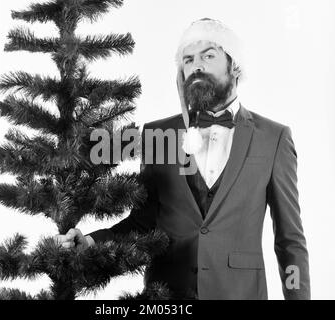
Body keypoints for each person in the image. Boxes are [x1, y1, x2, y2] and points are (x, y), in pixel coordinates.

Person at [56, 18, 310, 300]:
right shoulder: (157, 134)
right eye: (188, 60)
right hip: (165, 297)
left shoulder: (274, 138)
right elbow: (144, 221)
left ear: (235, 66)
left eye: (208, 56)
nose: (197, 65)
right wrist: (91, 241)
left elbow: (290, 241)